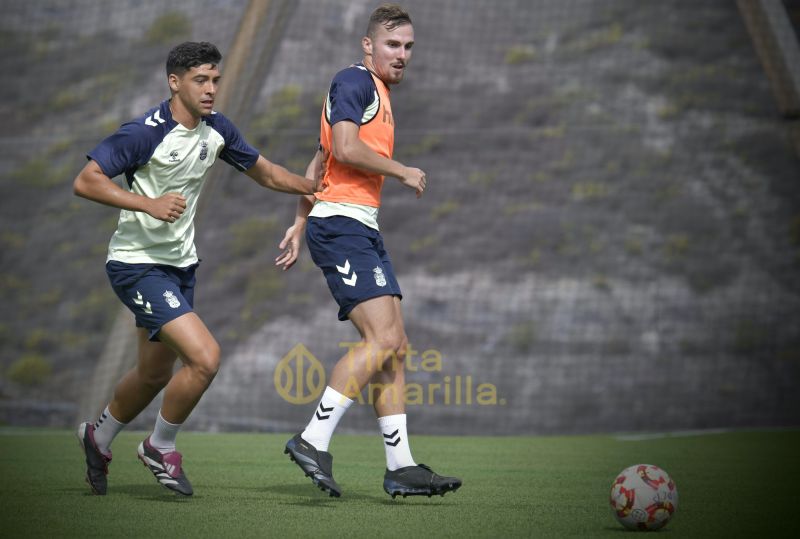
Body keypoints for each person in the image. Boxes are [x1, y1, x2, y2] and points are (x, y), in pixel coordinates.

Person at [74, 41, 321, 496]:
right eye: (200, 80)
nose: (210, 90)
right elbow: (86, 180)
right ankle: (159, 446)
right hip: (136, 266)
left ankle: (99, 436)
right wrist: (147, 203)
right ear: (175, 82)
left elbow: (265, 173)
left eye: (215, 81)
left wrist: (313, 186)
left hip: (180, 268)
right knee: (205, 359)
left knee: (153, 375)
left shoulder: (217, 129)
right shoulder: (144, 132)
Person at [276, 4, 461, 499]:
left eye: (408, 47)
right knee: (381, 339)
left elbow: (318, 159)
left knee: (395, 343)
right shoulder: (354, 81)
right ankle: (312, 439)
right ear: (368, 45)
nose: (402, 55)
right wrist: (401, 170)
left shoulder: (373, 91)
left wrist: (297, 223)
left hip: (355, 225)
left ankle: (400, 465)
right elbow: (341, 148)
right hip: (341, 226)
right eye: (393, 45)